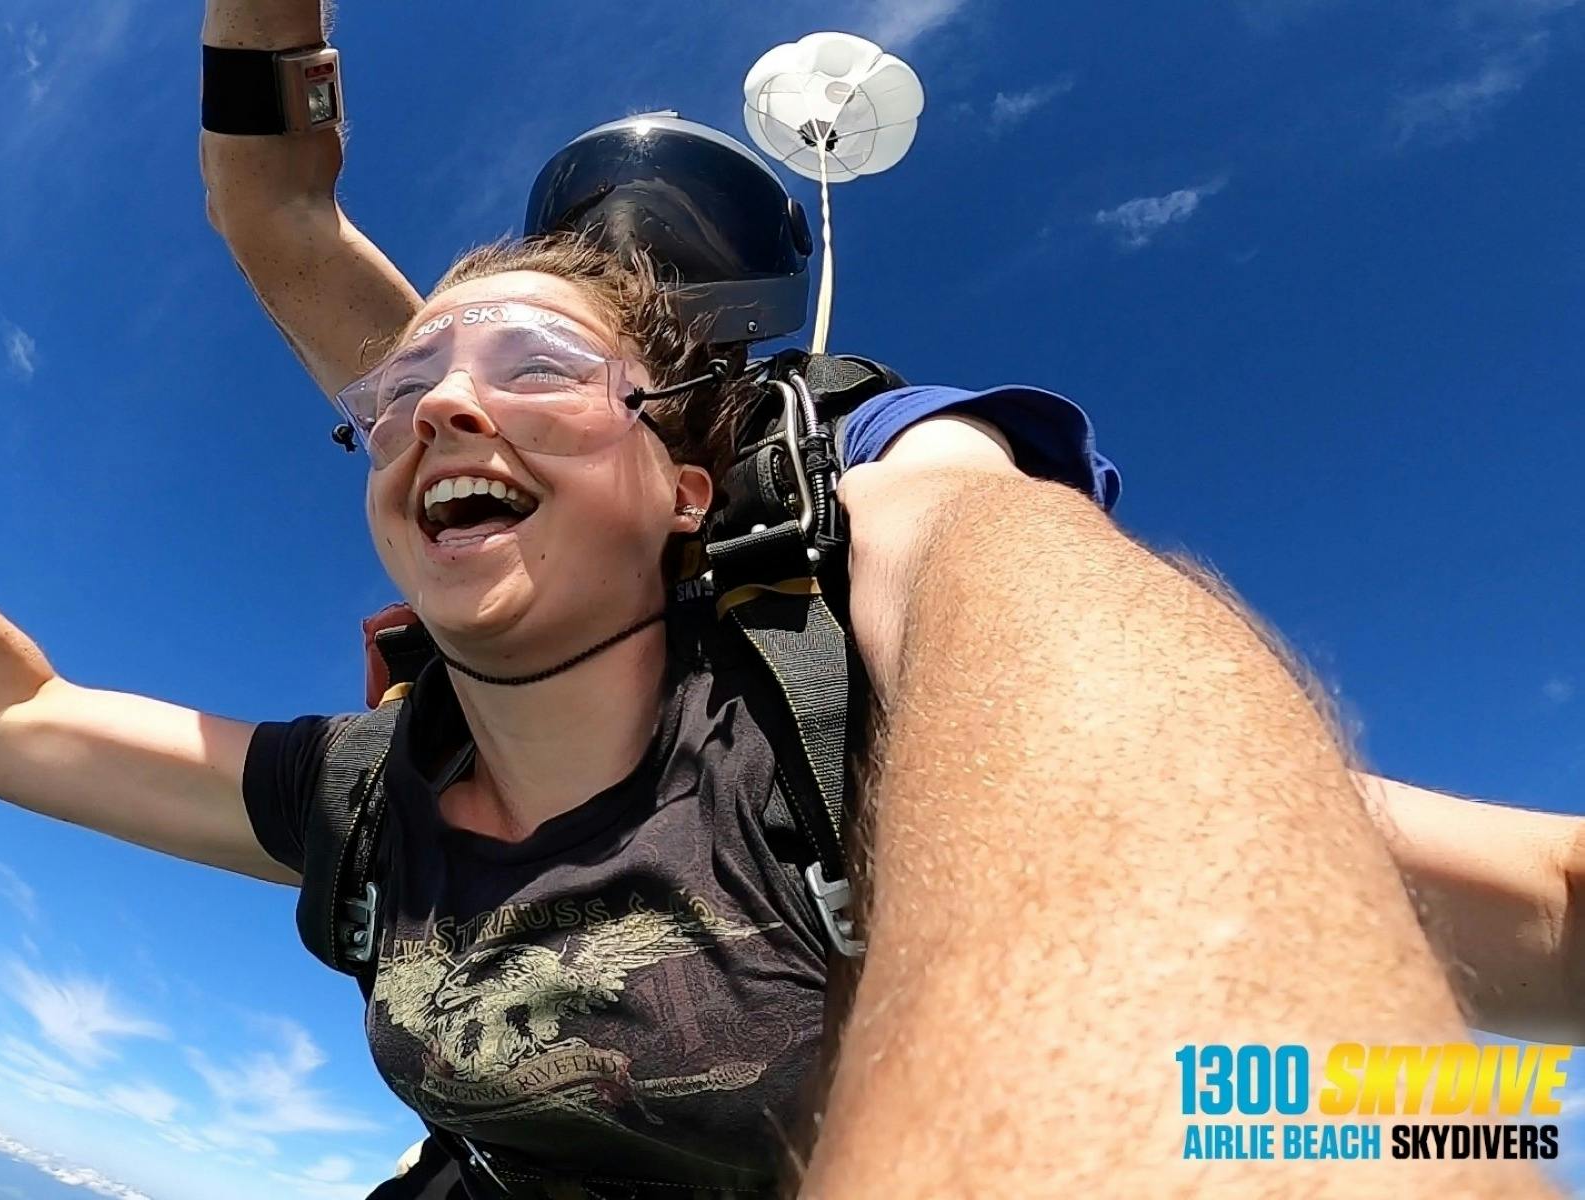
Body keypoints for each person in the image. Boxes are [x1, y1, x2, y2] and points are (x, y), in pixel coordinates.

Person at [0, 210, 1560, 1199]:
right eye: (401, 382)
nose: (441, 403)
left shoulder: (886, 766)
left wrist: (1397, 1129)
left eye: (526, 362)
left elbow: (1519, 957)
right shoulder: (363, 795)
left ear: (681, 482)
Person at [199, 0, 1584, 1049]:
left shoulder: (833, 438)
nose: (455, 403)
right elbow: (279, 214)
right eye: (583, 259)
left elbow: (969, 535)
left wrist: (1151, 846)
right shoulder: (474, 380)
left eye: (669, 265)